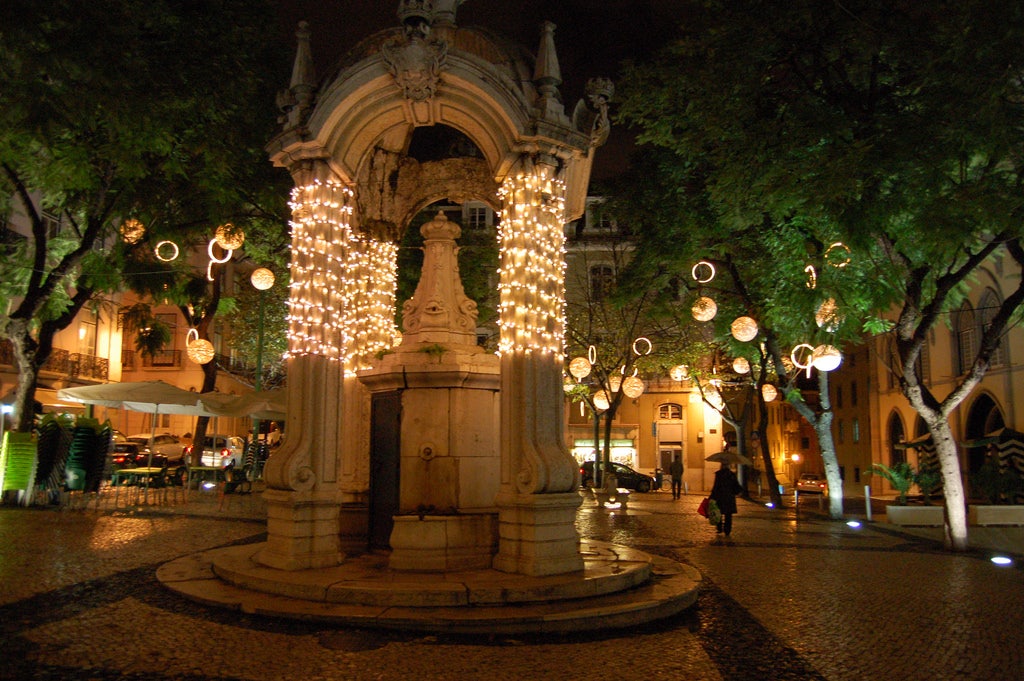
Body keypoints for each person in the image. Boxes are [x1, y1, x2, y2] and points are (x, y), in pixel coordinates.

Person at [710, 461, 743, 536]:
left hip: (720, 497)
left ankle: (719, 528)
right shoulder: (731, 474)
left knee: (719, 513)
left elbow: (716, 487)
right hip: (729, 497)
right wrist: (739, 491)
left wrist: (712, 496)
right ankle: (727, 530)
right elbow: (736, 485)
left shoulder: (719, 474)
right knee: (728, 515)